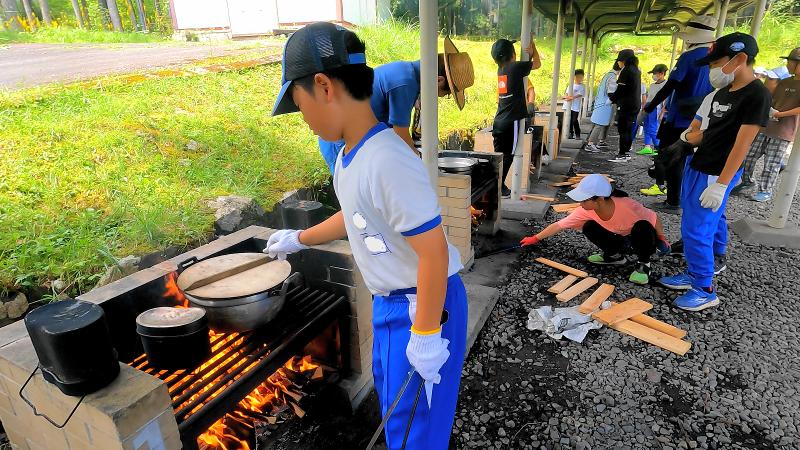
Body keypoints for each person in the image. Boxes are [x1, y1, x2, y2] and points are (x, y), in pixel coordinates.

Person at [268, 23, 468, 449]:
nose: (303, 120)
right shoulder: (348, 156)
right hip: (391, 303)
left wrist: (428, 334)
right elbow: (353, 216)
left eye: (299, 106)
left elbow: (433, 253)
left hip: (424, 303)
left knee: (418, 429)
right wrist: (297, 239)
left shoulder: (387, 159)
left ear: (323, 86)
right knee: (398, 415)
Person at [658, 32, 771, 312]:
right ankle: (696, 273)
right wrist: (689, 141)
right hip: (698, 164)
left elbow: (741, 146)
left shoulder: (756, 95)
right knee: (695, 221)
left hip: (717, 171)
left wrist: (721, 184)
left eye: (716, 62)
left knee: (697, 230)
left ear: (740, 58)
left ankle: (704, 288)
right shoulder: (722, 92)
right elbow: (700, 131)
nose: (712, 70)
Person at [317, 37, 474, 173]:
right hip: (339, 139)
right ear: (438, 80)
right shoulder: (405, 83)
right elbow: (401, 136)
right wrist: (424, 163)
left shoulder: (408, 74)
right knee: (352, 196)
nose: (442, 96)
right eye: (446, 93)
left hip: (356, 138)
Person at [519, 174, 669, 285]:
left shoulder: (628, 205)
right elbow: (559, 225)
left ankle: (644, 264)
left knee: (642, 227)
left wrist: (661, 238)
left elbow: (655, 218)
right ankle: (614, 256)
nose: (580, 204)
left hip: (638, 240)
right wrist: (535, 238)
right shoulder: (585, 210)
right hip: (620, 240)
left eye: (584, 200)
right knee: (589, 226)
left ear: (600, 199)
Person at [640, 15, 717, 213]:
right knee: (684, 159)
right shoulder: (713, 57)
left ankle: (673, 201)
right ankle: (680, 198)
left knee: (671, 158)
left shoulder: (689, 57)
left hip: (679, 119)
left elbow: (671, 85)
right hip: (700, 120)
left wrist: (651, 106)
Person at [738, 47, 800, 202]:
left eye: (791, 61)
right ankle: (747, 182)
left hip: (784, 130)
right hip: (766, 125)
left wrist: (780, 114)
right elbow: (771, 99)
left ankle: (765, 191)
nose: (788, 64)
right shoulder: (785, 81)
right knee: (748, 156)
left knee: (771, 164)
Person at [491, 37, 542, 196]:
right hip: (511, 122)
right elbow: (538, 64)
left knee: (499, 156)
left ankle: (495, 185)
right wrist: (533, 49)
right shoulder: (515, 67)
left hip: (499, 121)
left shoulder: (501, 71)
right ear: (512, 54)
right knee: (509, 156)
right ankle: (498, 187)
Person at [608, 49, 641, 163]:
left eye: (619, 61)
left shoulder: (626, 70)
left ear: (624, 61)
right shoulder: (636, 69)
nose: (618, 63)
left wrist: (611, 99)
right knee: (628, 129)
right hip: (635, 104)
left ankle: (622, 154)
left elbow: (621, 90)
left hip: (627, 105)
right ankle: (625, 152)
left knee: (623, 129)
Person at [585, 62, 619, 153]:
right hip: (605, 104)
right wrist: (615, 99)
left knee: (604, 123)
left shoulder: (608, 75)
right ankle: (590, 144)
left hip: (601, 102)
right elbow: (611, 92)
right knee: (599, 124)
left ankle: (600, 141)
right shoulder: (612, 77)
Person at [637, 64, 668, 159]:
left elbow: (666, 99)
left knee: (653, 128)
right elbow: (648, 97)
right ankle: (647, 146)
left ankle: (658, 147)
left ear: (662, 74)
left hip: (656, 107)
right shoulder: (652, 85)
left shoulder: (665, 85)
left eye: (655, 73)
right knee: (646, 126)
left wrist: (663, 111)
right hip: (648, 106)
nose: (654, 75)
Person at [563, 69, 586, 139]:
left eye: (581, 77)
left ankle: (577, 133)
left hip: (576, 106)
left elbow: (579, 95)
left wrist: (571, 97)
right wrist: (567, 97)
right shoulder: (570, 85)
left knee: (574, 120)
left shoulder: (582, 86)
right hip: (568, 105)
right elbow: (566, 94)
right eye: (578, 77)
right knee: (570, 120)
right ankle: (572, 133)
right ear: (574, 77)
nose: (580, 79)